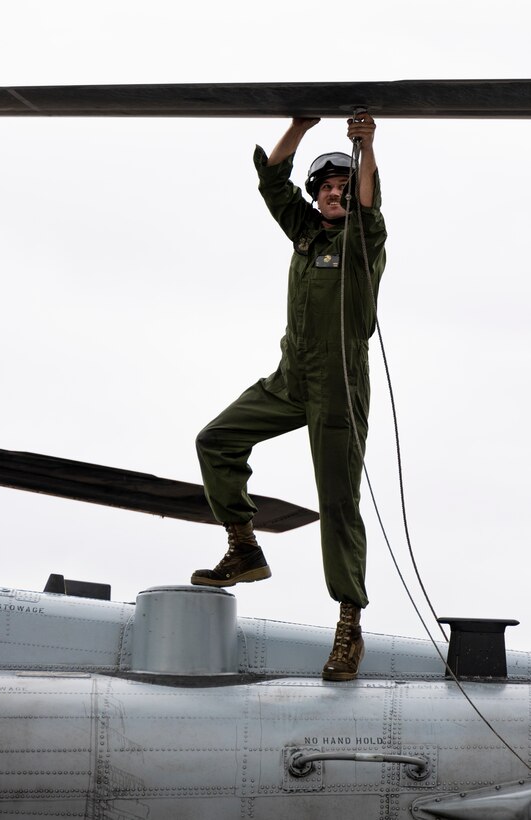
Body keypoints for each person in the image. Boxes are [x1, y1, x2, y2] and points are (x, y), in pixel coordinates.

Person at [192, 114, 387, 681]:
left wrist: (366, 147)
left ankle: (349, 627)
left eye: (343, 188)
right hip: (291, 378)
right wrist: (301, 124)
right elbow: (272, 181)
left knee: (339, 506)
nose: (333, 194)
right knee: (216, 440)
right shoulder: (305, 233)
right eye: (326, 188)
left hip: (339, 390)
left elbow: (371, 208)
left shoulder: (363, 241)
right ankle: (244, 546)